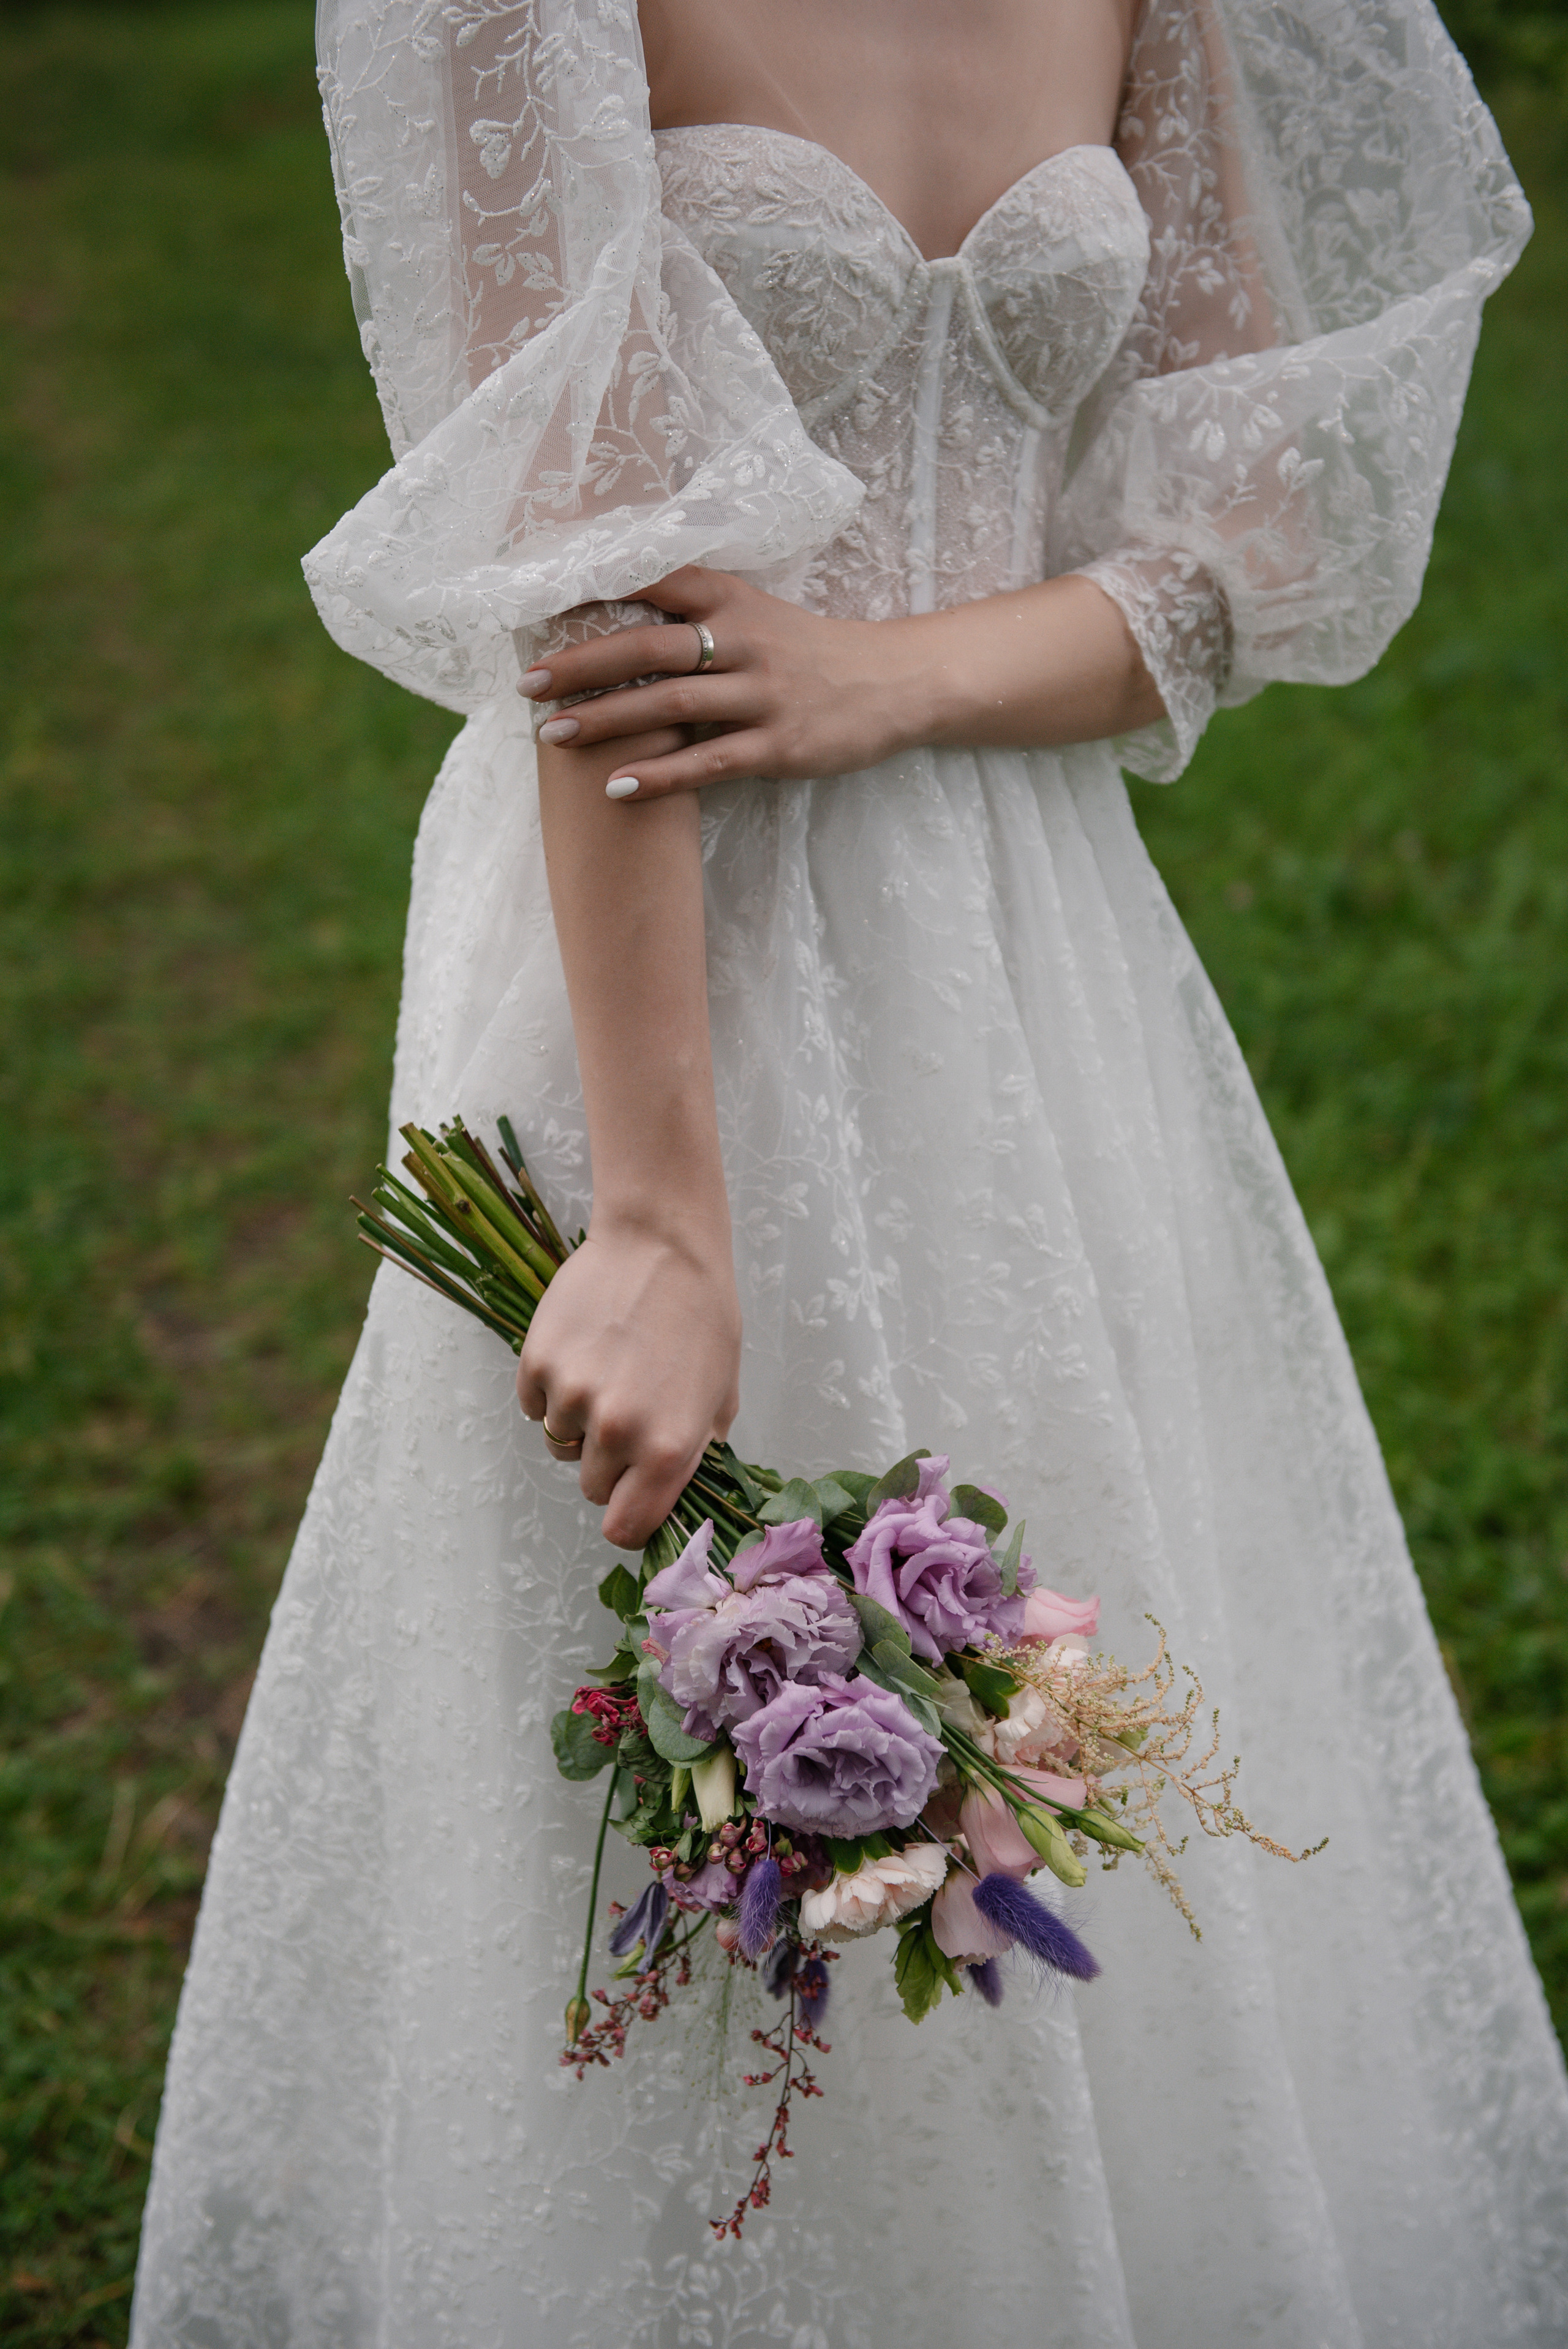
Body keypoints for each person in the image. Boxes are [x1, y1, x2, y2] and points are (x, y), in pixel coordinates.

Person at [131, 0, 1568, 2341]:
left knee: (1075, 1655)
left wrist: (895, 678)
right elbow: (593, 579)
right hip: (647, 941)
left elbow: (1253, 536)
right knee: (651, 1730)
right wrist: (658, 1215)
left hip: (1029, 940)